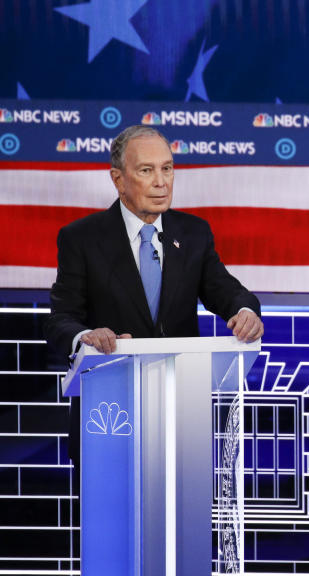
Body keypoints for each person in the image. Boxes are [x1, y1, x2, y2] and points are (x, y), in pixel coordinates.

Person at [44, 124, 264, 467]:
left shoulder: (192, 233)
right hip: (107, 416)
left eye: (167, 168)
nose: (161, 181)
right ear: (118, 179)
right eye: (146, 170)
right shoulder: (81, 238)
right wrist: (85, 337)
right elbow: (60, 319)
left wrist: (246, 311)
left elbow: (227, 292)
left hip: (180, 415)